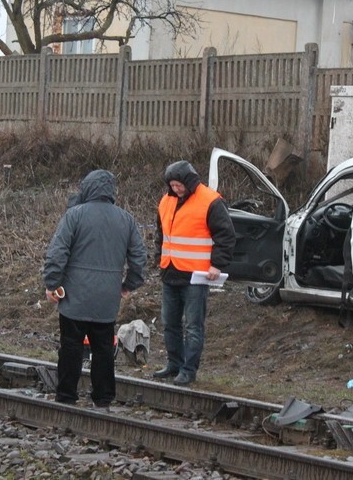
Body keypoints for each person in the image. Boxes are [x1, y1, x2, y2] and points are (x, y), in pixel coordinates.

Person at [43, 169, 146, 408]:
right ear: (111, 191)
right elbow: (139, 258)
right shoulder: (126, 219)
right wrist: (128, 284)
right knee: (103, 349)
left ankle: (67, 395)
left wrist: (52, 283)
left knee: (70, 347)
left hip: (74, 297)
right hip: (107, 298)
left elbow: (57, 253)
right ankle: (103, 397)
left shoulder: (75, 215)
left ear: (87, 188)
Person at [153, 161, 235, 386]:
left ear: (189, 182)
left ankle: (188, 370)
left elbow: (226, 236)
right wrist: (157, 259)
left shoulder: (211, 201)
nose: (176, 189)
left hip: (196, 276)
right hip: (170, 271)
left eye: (179, 185)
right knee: (169, 322)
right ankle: (174, 364)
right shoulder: (166, 200)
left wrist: (216, 265)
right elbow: (161, 234)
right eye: (172, 185)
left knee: (193, 326)